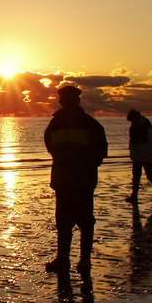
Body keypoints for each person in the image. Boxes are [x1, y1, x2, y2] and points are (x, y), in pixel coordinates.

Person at [43, 85, 108, 273]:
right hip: (74, 180)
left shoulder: (61, 123)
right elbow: (100, 151)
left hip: (74, 180)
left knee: (76, 222)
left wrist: (83, 167)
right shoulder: (87, 124)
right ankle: (74, 260)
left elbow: (51, 147)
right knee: (74, 222)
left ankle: (77, 261)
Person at [125, 109, 152, 203]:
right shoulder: (139, 124)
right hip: (140, 154)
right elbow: (133, 141)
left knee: (147, 174)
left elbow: (148, 141)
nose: (131, 122)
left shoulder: (144, 125)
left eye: (131, 120)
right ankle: (135, 195)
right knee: (138, 175)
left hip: (145, 154)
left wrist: (135, 151)